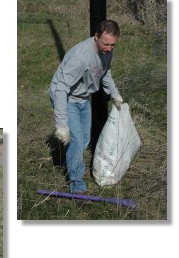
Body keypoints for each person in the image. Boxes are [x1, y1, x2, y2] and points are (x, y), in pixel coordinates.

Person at [49, 20, 124, 194]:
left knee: (84, 140)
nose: (109, 48)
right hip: (66, 97)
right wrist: (61, 124)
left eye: (113, 45)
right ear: (96, 37)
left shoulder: (107, 51)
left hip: (83, 98)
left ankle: (69, 161)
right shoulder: (81, 57)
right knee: (76, 142)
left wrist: (114, 93)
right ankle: (77, 186)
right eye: (105, 44)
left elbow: (105, 72)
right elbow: (61, 88)